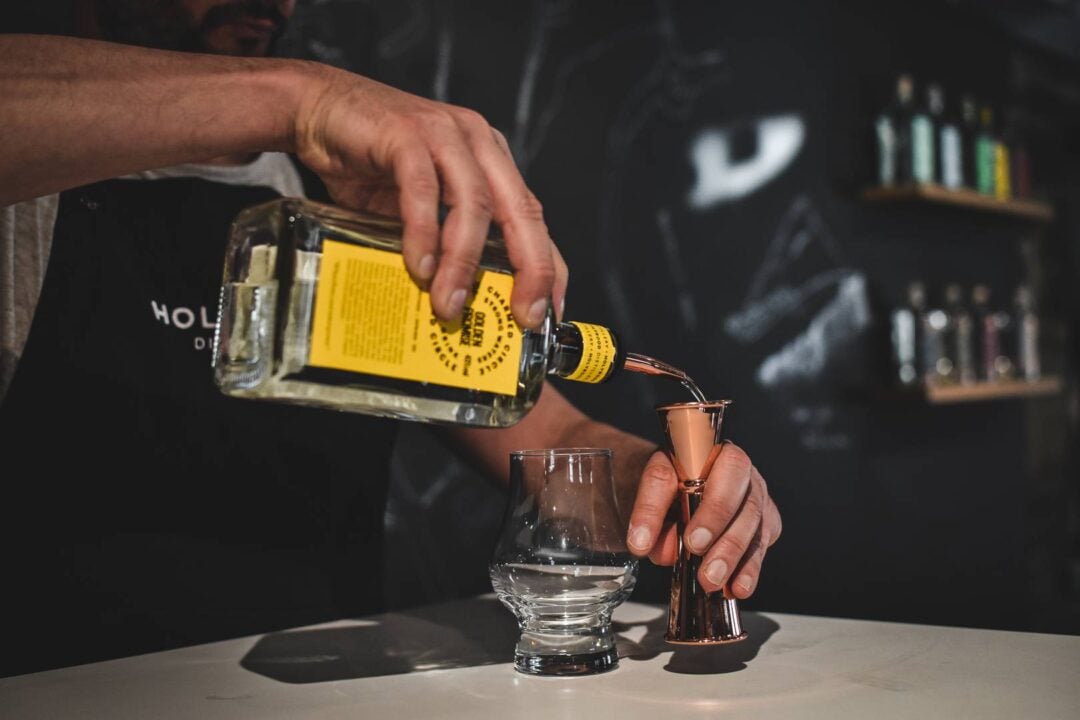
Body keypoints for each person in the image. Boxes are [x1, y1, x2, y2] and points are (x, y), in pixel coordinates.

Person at [0, 0, 781, 676]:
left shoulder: (339, 200)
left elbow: (552, 437)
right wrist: (302, 97)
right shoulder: (32, 177)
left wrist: (656, 482)